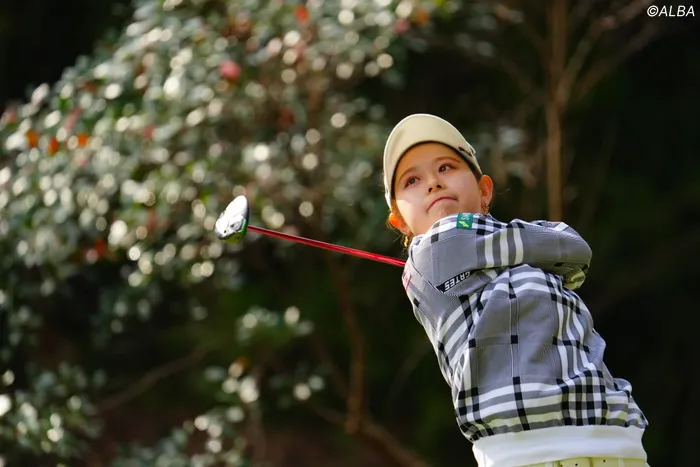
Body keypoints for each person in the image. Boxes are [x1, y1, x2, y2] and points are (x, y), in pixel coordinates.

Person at [382, 114, 649, 467]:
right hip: (525, 454)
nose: (433, 182)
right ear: (400, 220)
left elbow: (574, 249)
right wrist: (537, 248)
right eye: (412, 180)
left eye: (446, 167)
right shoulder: (431, 253)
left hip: (613, 440)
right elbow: (565, 247)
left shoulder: (505, 252)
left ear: (484, 191)